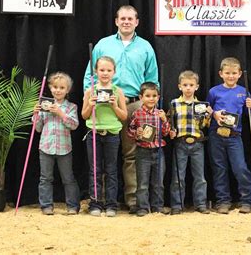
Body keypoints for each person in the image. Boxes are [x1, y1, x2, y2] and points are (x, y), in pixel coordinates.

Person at [83, 5, 159, 212]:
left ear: (137, 22)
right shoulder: (103, 45)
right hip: (104, 103)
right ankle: (103, 201)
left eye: (130, 19)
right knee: (103, 157)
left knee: (132, 154)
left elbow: (152, 78)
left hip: (134, 104)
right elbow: (89, 74)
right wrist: (88, 95)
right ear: (116, 21)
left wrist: (150, 106)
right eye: (122, 18)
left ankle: (133, 201)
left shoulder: (145, 47)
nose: (126, 22)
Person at [207, 57, 251, 214]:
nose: (231, 76)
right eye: (227, 73)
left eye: (234, 73)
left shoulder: (243, 92)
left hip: (235, 136)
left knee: (240, 167)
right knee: (219, 168)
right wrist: (214, 114)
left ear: (240, 74)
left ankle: (247, 200)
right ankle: (223, 201)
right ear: (221, 73)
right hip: (216, 134)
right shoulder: (214, 91)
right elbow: (207, 110)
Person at [81, 56, 128, 217]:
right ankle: (95, 203)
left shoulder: (117, 91)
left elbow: (123, 116)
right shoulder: (90, 91)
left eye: (109, 70)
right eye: (102, 70)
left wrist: (114, 105)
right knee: (95, 170)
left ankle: (111, 205)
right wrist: (90, 105)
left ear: (114, 72)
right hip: (93, 134)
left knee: (111, 170)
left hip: (112, 135)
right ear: (96, 72)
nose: (105, 73)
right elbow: (84, 115)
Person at [33, 72, 80, 215]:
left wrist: (60, 113)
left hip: (64, 148)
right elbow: (38, 128)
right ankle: (46, 206)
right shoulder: (43, 105)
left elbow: (74, 125)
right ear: (50, 88)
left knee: (68, 178)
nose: (58, 90)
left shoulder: (71, 107)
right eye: (55, 87)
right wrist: (36, 114)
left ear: (67, 90)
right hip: (46, 147)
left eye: (62, 87)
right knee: (45, 178)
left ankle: (72, 206)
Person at [169, 70, 212, 215]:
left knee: (199, 176)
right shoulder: (174, 103)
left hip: (197, 143)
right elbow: (170, 122)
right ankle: (177, 205)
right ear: (179, 86)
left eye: (191, 85)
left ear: (197, 87)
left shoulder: (201, 105)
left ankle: (200, 204)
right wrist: (170, 130)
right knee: (178, 176)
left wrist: (208, 115)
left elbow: (204, 125)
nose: (188, 88)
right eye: (185, 85)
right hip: (180, 142)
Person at [128, 82, 171, 217]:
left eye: (154, 96)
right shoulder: (137, 114)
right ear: (141, 97)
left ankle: (157, 206)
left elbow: (166, 132)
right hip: (143, 151)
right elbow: (130, 131)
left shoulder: (160, 114)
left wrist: (164, 120)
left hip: (158, 152)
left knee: (158, 182)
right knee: (142, 182)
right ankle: (142, 207)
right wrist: (137, 133)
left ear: (158, 97)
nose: (151, 99)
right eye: (147, 96)